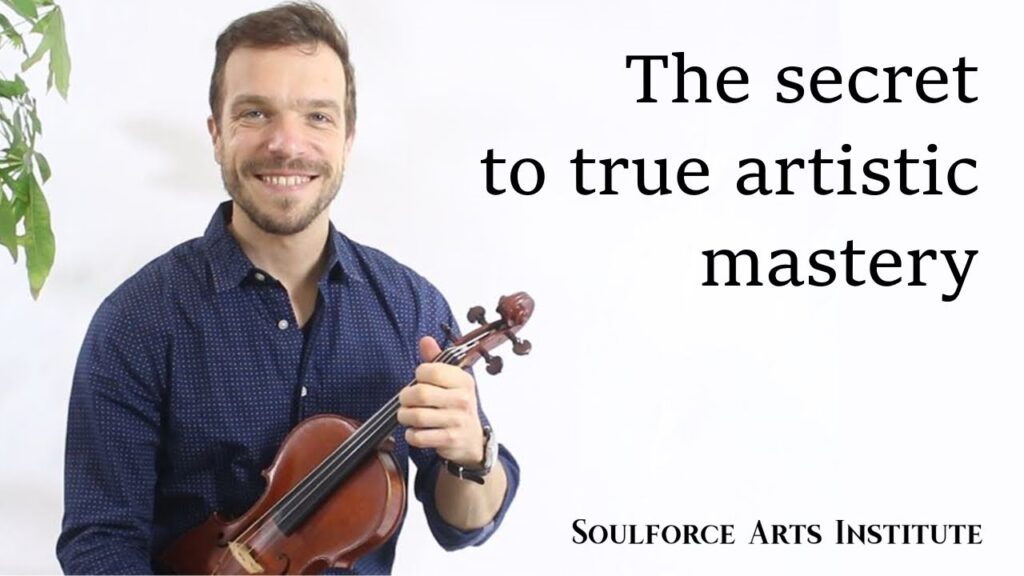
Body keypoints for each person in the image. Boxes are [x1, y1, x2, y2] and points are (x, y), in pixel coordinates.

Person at [55, 2, 519, 573]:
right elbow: (99, 542)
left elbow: (463, 525)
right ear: (216, 133)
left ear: (348, 138)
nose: (286, 144)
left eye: (317, 117)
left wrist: (470, 455)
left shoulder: (411, 308)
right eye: (255, 114)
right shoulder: (138, 320)